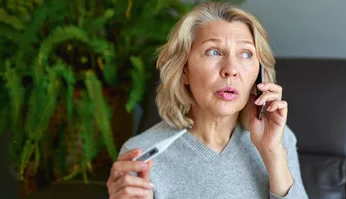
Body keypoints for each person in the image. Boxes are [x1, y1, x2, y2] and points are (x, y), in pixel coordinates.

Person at [106, 2, 309, 199]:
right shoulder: (141, 154)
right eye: (213, 52)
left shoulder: (279, 139)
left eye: (246, 54)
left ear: (260, 75)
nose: (231, 69)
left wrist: (273, 153)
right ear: (183, 70)